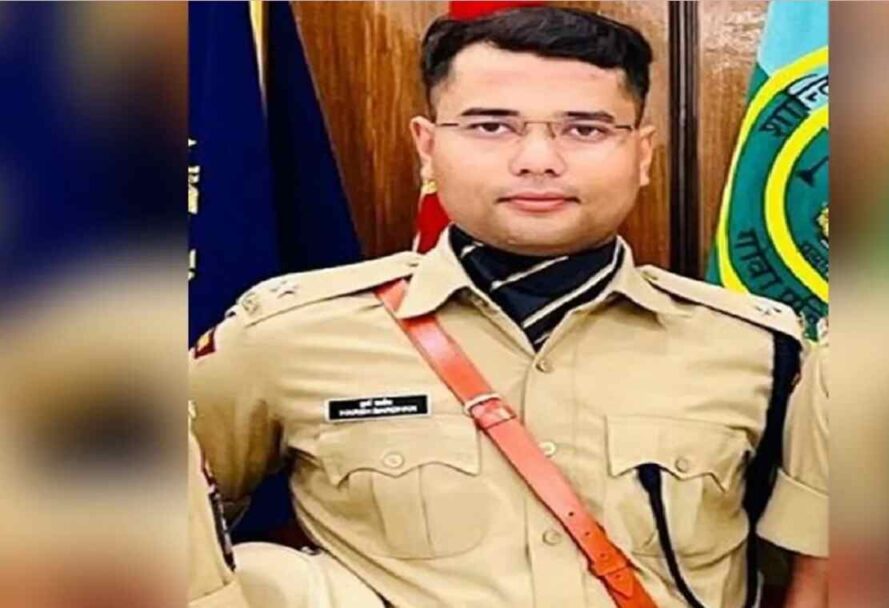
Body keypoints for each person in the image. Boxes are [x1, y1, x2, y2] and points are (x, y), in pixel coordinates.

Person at [189, 7, 828, 607]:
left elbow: (813, 572)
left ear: (642, 154)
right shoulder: (287, 337)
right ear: (427, 146)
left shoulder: (757, 349)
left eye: (585, 129)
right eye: (491, 126)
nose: (538, 160)